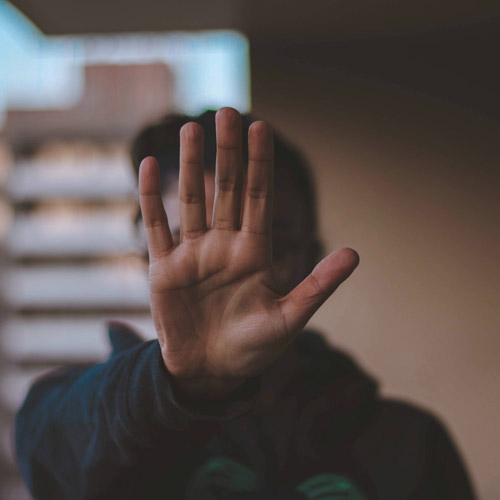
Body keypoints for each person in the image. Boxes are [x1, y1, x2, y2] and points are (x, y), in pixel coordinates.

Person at [15, 108, 476, 499]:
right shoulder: (99, 421)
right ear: (146, 261)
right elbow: (48, 454)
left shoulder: (407, 444)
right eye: (190, 243)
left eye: (264, 241)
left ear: (312, 253)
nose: (225, 271)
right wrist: (184, 385)